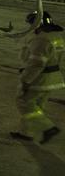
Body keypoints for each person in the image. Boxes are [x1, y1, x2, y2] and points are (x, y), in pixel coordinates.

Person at [13, 9, 64, 144]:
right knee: (37, 106)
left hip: (40, 78)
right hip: (53, 78)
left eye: (31, 23)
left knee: (24, 102)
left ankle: (48, 128)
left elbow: (36, 64)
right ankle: (25, 132)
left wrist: (25, 81)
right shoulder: (56, 36)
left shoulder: (41, 39)